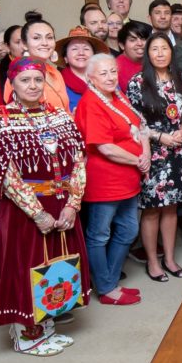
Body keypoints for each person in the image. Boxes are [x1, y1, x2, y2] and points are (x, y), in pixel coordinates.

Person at [0, 57, 90, 356]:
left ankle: (47, 328)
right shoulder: (0, 124)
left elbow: (79, 162)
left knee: (57, 266)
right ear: (11, 84)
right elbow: (6, 176)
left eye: (38, 80)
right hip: (24, 213)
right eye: (25, 80)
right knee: (26, 268)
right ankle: (26, 336)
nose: (32, 85)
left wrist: (72, 204)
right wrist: (37, 212)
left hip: (62, 206)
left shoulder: (61, 118)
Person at [74, 53, 147, 305]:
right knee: (99, 234)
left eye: (113, 72)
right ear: (91, 77)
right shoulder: (91, 103)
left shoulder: (117, 96)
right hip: (105, 181)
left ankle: (109, 280)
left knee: (128, 229)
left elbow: (138, 126)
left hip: (128, 179)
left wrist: (145, 153)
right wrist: (138, 160)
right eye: (103, 73)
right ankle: (106, 288)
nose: (110, 77)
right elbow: (105, 147)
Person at [127, 33, 182, 282]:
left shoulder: (178, 78)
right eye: (155, 49)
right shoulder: (138, 82)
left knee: (172, 208)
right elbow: (133, 123)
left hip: (178, 152)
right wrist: (160, 137)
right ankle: (153, 261)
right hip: (153, 153)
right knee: (152, 210)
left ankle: (170, 258)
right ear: (148, 53)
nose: (161, 53)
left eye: (165, 48)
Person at [3, 12, 71, 113]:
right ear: (24, 44)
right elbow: (15, 114)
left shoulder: (55, 73)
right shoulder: (17, 73)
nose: (44, 43)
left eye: (49, 37)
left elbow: (66, 111)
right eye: (36, 38)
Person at [57, 26, 109, 113]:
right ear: (65, 57)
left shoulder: (107, 77)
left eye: (86, 49)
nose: (81, 53)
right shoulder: (59, 84)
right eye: (74, 49)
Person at [0, 25, 25, 113]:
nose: (0, 48)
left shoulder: (40, 67)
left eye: (25, 41)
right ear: (9, 45)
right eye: (18, 42)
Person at [116, 21, 152, 92]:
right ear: (122, 45)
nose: (140, 43)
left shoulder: (154, 61)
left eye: (143, 39)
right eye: (132, 40)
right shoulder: (115, 68)